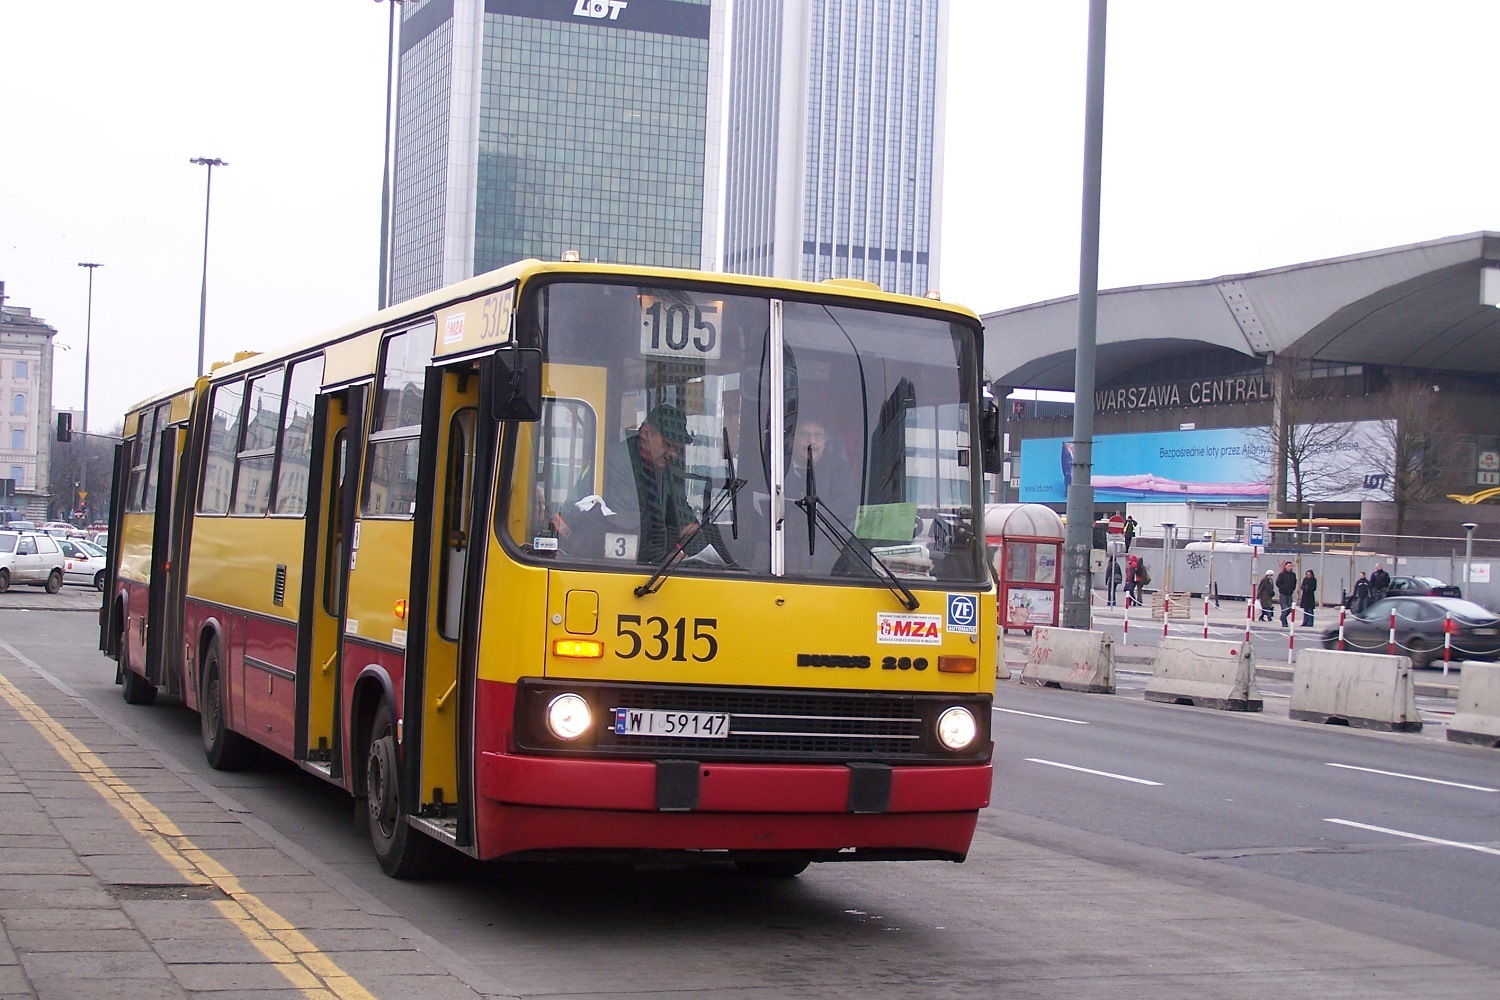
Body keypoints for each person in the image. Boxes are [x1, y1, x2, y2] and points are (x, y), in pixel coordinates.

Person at [555, 404, 706, 564]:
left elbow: (682, 518)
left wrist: (699, 551)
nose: (673, 454)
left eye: (678, 448)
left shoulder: (664, 468)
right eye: (668, 444)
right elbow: (634, 530)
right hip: (589, 554)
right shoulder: (618, 463)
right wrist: (664, 559)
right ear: (646, 432)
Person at [1276, 560, 1298, 627]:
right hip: (1283, 593)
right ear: (1285, 566)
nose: (1290, 567)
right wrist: (1283, 588)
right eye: (1288, 566)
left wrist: (1293, 588)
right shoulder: (1281, 574)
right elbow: (1278, 583)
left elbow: (1295, 582)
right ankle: (1284, 622)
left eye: (1291, 566)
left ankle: (1282, 617)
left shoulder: (1293, 575)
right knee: (1284, 608)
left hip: (1290, 593)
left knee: (1290, 608)